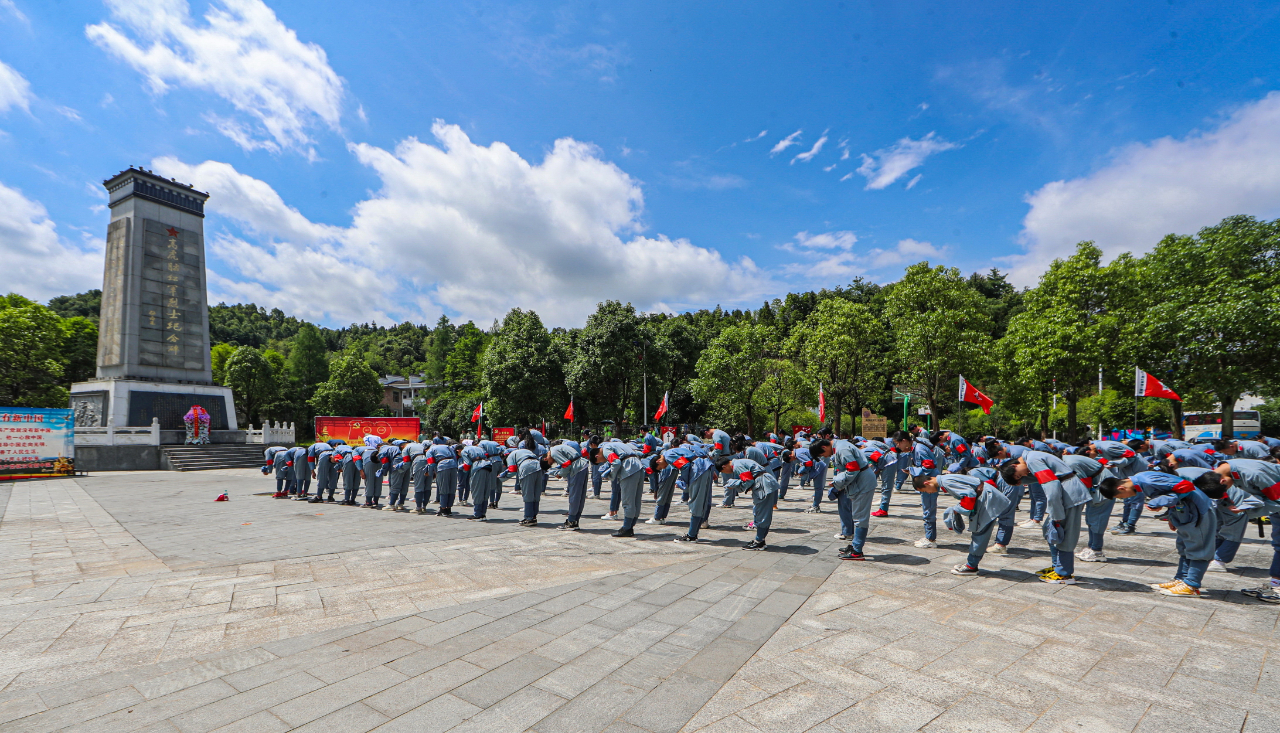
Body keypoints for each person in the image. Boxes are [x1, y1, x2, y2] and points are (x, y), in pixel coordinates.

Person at [1099, 471, 1216, 597]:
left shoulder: (1147, 480)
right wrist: (1172, 516)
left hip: (1199, 513)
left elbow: (1186, 487)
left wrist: (1159, 501)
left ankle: (1191, 585)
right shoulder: (1142, 481)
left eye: (1121, 497)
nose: (1126, 498)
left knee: (1198, 548)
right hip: (1186, 513)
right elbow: (1173, 492)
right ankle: (1181, 579)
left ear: (1121, 488)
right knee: (1184, 547)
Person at [1192, 459, 1280, 603]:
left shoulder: (1253, 474)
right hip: (1276, 505)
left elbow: (1278, 500)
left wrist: (1249, 509)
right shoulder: (1225, 470)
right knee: (1278, 543)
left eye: (1225, 491)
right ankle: (1275, 585)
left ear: (1223, 482)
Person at [1000, 450, 1091, 584]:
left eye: (1019, 475)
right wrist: (1021, 480)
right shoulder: (1032, 458)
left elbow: (1052, 486)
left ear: (1014, 465)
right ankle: (1057, 566)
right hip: (1066, 492)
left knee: (1065, 533)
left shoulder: (1032, 460)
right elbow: (1044, 477)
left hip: (1070, 495)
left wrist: (1056, 513)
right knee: (1050, 530)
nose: (1024, 475)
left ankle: (1064, 574)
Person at [914, 472, 1011, 576]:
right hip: (988, 496)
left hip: (987, 500)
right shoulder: (945, 478)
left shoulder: (946, 481)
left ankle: (971, 566)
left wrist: (956, 510)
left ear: (927, 483)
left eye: (924, 490)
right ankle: (971, 564)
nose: (928, 493)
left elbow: (969, 495)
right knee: (980, 531)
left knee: (980, 532)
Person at [717, 456, 777, 550]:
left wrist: (736, 485)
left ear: (724, 466)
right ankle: (760, 540)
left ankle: (759, 542)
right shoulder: (740, 462)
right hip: (765, 482)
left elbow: (748, 480)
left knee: (761, 514)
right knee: (764, 513)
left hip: (762, 484)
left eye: (723, 472)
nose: (727, 473)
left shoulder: (736, 466)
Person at [894, 430, 940, 548]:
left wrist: (912, 470)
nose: (897, 446)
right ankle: (929, 536)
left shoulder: (919, 449)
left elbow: (928, 467)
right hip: (927, 481)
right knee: (927, 509)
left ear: (904, 441)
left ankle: (930, 539)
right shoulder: (915, 448)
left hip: (929, 482)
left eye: (898, 443)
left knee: (928, 509)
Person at [596, 441, 646, 537]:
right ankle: (630, 526)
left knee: (628, 501)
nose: (604, 461)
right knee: (636, 500)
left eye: (601, 461)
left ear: (597, 456)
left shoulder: (606, 448)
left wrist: (611, 475)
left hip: (628, 469)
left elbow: (616, 461)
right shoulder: (618, 444)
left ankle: (626, 528)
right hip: (638, 467)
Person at [674, 445, 716, 543]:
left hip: (698, 469)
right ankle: (693, 534)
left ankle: (691, 536)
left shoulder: (669, 454)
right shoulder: (691, 446)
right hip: (707, 466)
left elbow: (684, 465)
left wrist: (682, 481)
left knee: (696, 503)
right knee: (703, 502)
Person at [550, 442, 589, 531]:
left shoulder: (553, 451)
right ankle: (575, 521)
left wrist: (560, 474)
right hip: (583, 465)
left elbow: (566, 464)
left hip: (577, 468)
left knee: (574, 496)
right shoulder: (559, 447)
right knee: (580, 495)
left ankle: (571, 522)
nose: (551, 462)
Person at [426, 441, 459, 516]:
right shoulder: (447, 447)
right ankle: (449, 509)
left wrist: (431, 474)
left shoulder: (430, 450)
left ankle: (443, 509)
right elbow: (454, 456)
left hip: (442, 466)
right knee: (452, 488)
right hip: (453, 466)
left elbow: (431, 463)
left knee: (443, 488)